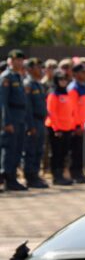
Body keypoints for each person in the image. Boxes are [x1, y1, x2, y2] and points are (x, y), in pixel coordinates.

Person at [1, 49, 33, 191]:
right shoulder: (6, 77)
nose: (19, 62)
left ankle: (13, 177)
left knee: (18, 149)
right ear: (10, 61)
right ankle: (8, 178)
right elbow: (2, 102)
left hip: (20, 118)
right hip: (12, 118)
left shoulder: (18, 77)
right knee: (10, 150)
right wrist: (6, 122)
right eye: (16, 60)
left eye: (21, 60)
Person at [23, 57, 50, 189]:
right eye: (37, 67)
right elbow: (27, 107)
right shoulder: (28, 84)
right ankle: (30, 176)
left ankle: (35, 174)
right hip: (33, 121)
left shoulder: (38, 84)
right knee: (31, 150)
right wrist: (30, 125)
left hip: (40, 121)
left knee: (39, 150)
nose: (41, 70)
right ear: (30, 69)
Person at [46, 69, 74, 186]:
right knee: (56, 153)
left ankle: (62, 174)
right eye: (61, 79)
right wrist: (56, 128)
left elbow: (70, 111)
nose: (63, 82)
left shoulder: (66, 93)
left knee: (64, 153)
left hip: (67, 128)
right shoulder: (53, 94)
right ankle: (56, 176)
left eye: (65, 79)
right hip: (57, 129)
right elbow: (51, 112)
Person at [67, 63, 85, 183]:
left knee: (81, 151)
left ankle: (79, 173)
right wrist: (77, 125)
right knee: (76, 151)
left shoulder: (82, 86)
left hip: (83, 124)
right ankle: (75, 174)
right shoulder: (73, 88)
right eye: (82, 72)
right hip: (76, 126)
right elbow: (72, 109)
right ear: (76, 74)